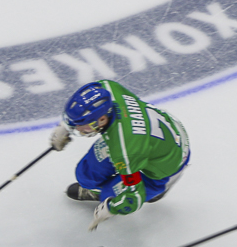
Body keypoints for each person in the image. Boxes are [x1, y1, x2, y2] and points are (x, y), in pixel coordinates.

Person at [49, 80, 190, 230]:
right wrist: (67, 124)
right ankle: (109, 191)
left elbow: (133, 198)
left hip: (166, 165)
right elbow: (94, 90)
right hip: (156, 138)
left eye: (83, 126)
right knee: (86, 174)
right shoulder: (108, 89)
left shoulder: (125, 151)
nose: (79, 129)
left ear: (102, 119)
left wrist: (112, 207)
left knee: (111, 194)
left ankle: (156, 189)